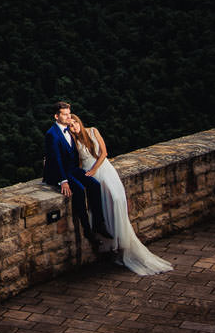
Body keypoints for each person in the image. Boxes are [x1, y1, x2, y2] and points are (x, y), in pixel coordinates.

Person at [67, 112, 173, 276]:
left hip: (104, 169)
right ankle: (112, 245)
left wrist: (95, 169)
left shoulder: (93, 131)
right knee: (105, 204)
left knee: (117, 199)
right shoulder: (73, 141)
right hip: (89, 173)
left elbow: (104, 152)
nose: (74, 126)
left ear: (79, 121)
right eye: (70, 125)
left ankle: (122, 241)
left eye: (75, 122)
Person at [42, 101, 113, 243]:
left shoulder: (69, 129)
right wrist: (63, 181)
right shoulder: (52, 134)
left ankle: (99, 224)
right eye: (65, 114)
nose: (68, 117)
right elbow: (55, 159)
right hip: (59, 172)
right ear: (56, 116)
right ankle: (88, 232)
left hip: (73, 169)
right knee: (79, 190)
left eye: (69, 113)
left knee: (95, 185)